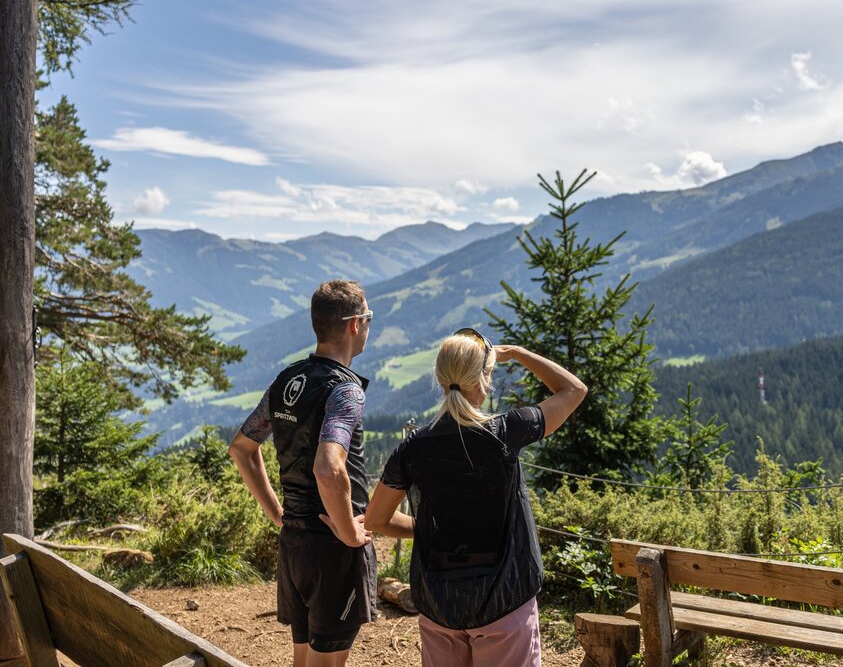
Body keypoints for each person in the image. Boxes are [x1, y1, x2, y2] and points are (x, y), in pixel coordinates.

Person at [360, 328, 587, 667]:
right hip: (503, 602)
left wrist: (421, 528)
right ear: (485, 378)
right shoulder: (507, 432)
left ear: (439, 378)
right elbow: (573, 390)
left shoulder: (412, 450)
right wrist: (519, 352)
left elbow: (376, 519)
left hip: (439, 606)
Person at [228, 279, 378, 667]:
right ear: (353, 325)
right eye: (368, 318)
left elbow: (242, 448)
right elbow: (329, 468)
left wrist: (277, 512)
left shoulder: (287, 380)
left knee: (305, 662)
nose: (368, 326)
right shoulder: (345, 391)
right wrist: (348, 532)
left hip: (294, 543)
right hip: (332, 550)